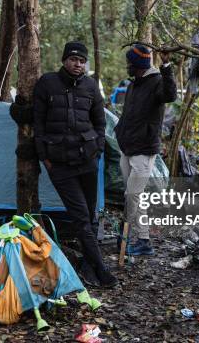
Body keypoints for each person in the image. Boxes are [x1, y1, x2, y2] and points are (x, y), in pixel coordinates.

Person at [33, 41, 117, 288]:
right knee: (81, 216)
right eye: (73, 60)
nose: (77, 64)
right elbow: (38, 124)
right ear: (64, 60)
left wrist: (98, 148)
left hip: (87, 160)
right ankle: (102, 270)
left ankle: (89, 265)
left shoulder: (91, 86)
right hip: (59, 164)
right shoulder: (47, 83)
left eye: (81, 61)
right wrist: (44, 157)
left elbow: (100, 123)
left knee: (90, 216)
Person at [115, 44, 177, 255]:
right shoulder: (134, 85)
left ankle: (127, 234)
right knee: (133, 196)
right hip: (127, 147)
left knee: (133, 194)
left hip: (144, 149)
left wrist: (167, 65)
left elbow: (170, 95)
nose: (127, 66)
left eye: (130, 63)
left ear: (138, 65)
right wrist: (119, 132)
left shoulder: (157, 82)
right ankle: (142, 240)